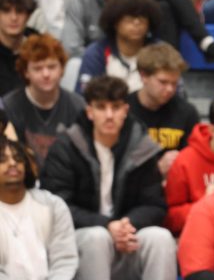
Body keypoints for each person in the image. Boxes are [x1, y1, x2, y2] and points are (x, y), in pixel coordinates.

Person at [40, 75, 177, 280]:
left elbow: (155, 204)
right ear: (90, 112)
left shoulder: (142, 146)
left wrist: (127, 226)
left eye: (116, 107)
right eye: (101, 107)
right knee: (98, 237)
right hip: (82, 240)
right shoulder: (65, 147)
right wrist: (106, 225)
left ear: (126, 110)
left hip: (127, 236)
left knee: (161, 238)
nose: (109, 115)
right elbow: (57, 205)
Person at [0, 136, 78, 279]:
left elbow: (64, 259)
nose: (12, 164)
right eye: (2, 160)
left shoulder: (53, 205)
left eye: (18, 158)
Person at [2, 34, 85, 169]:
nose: (46, 74)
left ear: (62, 69)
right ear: (26, 72)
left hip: (66, 181)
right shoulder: (9, 107)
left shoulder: (78, 106)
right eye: (38, 68)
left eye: (52, 67)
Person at [164, 89, 214, 235]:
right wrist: (206, 204)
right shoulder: (185, 161)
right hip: (201, 233)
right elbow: (170, 218)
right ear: (213, 131)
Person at [128, 43, 198, 179]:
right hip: (134, 188)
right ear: (144, 76)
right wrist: (156, 169)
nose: (170, 89)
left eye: (174, 83)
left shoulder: (187, 112)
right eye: (163, 82)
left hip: (174, 182)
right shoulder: (125, 110)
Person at [76, 0, 161, 93]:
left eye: (142, 18)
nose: (137, 23)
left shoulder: (160, 51)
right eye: (130, 18)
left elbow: (175, 93)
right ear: (115, 22)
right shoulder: (96, 53)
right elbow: (84, 95)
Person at [0, 0, 36, 97]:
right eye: (6, 11)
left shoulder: (39, 47)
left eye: (19, 11)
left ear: (28, 15)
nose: (13, 18)